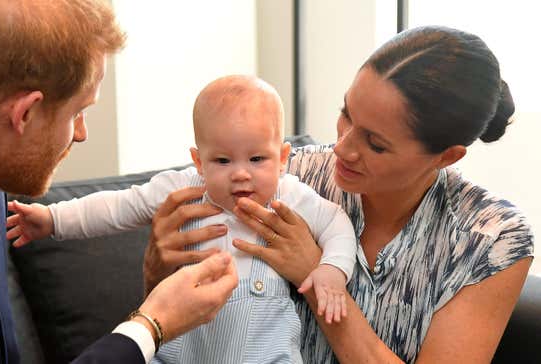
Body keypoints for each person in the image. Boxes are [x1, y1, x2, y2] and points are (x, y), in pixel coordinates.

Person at [143, 26, 535, 363]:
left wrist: (317, 275)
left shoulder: (491, 238)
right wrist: (156, 270)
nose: (342, 148)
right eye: (346, 114)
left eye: (375, 144)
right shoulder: (286, 175)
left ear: (446, 157)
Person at [0, 0, 238, 363]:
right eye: (78, 112)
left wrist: (156, 285)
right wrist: (152, 324)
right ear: (25, 113)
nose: (81, 133)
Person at [6, 74, 357, 363]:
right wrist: (52, 219)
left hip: (265, 353)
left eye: (256, 159)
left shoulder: (290, 195)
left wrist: (331, 271)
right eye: (222, 161)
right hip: (184, 350)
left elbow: (337, 225)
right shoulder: (182, 189)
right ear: (198, 161)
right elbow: (117, 207)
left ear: (282, 158)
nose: (241, 175)